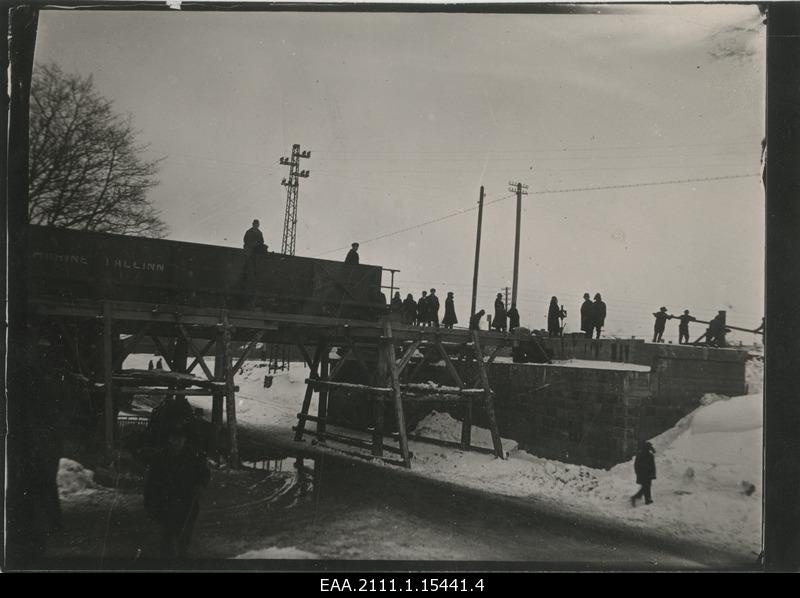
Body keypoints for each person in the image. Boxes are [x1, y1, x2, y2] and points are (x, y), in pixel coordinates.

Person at [144, 422, 211, 558]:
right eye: (174, 438)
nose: (177, 442)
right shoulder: (161, 457)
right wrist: (149, 501)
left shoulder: (194, 457)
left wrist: (201, 484)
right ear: (169, 439)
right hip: (166, 503)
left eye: (180, 439)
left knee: (184, 538)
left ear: (185, 440)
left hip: (187, 503)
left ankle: (182, 561)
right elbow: (151, 481)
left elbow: (204, 473)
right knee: (166, 538)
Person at [630, 441, 656, 506]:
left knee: (646, 486)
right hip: (646, 474)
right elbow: (652, 466)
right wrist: (653, 474)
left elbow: (636, 465)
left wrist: (637, 472)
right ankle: (644, 499)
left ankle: (643, 498)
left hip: (644, 474)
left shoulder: (641, 454)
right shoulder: (649, 455)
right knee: (646, 486)